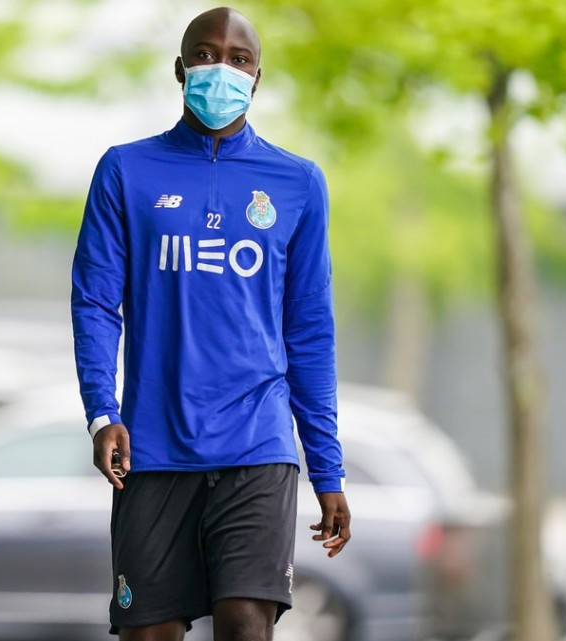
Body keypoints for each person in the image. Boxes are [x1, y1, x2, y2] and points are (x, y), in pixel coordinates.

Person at [70, 7, 350, 641]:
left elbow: (309, 333)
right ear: (179, 68)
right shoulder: (125, 170)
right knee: (151, 634)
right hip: (153, 447)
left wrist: (327, 469)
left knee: (246, 624)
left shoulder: (298, 183)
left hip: (259, 442)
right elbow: (93, 302)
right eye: (205, 54)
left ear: (257, 78)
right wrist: (100, 411)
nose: (221, 69)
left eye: (239, 58)